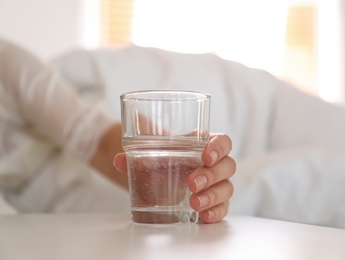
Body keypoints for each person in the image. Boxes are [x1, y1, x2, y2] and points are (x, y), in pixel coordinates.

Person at [0, 38, 236, 224]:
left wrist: (168, 162)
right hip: (34, 205)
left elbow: (95, 137)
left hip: (83, 168)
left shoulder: (6, 62)